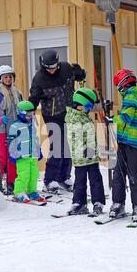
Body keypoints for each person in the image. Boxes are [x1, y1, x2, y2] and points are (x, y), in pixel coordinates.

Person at [29, 49, 86, 195]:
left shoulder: (66, 68)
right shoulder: (39, 79)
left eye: (54, 67)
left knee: (68, 146)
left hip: (69, 112)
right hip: (52, 115)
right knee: (58, 146)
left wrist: (80, 73)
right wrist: (29, 110)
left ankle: (64, 177)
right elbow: (34, 98)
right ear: (43, 66)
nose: (52, 70)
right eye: (49, 68)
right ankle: (50, 180)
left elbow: (77, 75)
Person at [105, 69, 137, 224]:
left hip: (131, 141)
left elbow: (126, 118)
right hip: (128, 140)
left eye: (118, 85)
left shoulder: (131, 96)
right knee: (120, 173)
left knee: (130, 174)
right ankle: (119, 204)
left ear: (123, 84)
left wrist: (111, 120)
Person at [65, 87, 106, 216]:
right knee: (80, 181)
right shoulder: (75, 118)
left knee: (95, 180)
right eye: (88, 105)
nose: (90, 108)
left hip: (89, 156)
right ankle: (79, 203)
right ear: (80, 105)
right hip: (80, 156)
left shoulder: (82, 117)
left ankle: (97, 202)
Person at [0, 65, 23, 195]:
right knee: (2, 156)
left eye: (10, 76)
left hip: (15, 129)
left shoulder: (17, 93)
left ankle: (11, 183)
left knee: (13, 157)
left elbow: (22, 108)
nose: (8, 79)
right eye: (5, 77)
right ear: (0, 79)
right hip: (3, 130)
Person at [8, 100, 44, 203]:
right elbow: (11, 142)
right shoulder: (15, 125)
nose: (30, 116)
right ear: (21, 113)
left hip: (33, 155)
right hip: (21, 155)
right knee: (24, 174)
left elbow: (35, 139)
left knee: (34, 174)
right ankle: (19, 192)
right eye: (28, 114)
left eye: (32, 113)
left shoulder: (32, 124)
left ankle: (31, 191)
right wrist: (13, 154)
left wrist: (38, 150)